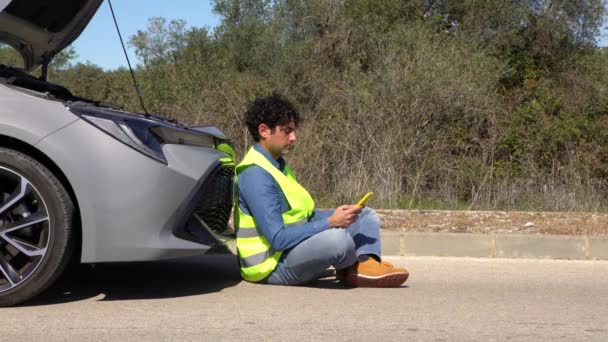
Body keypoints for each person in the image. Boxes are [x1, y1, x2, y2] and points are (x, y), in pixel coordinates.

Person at [235, 94, 409, 287]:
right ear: (264, 131)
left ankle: (365, 266)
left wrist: (342, 214)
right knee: (338, 240)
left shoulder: (276, 165)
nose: (294, 137)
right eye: (287, 131)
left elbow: (301, 216)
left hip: (292, 249)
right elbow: (278, 239)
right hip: (272, 266)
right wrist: (330, 222)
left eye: (294, 131)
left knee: (365, 216)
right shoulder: (254, 174)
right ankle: (353, 267)